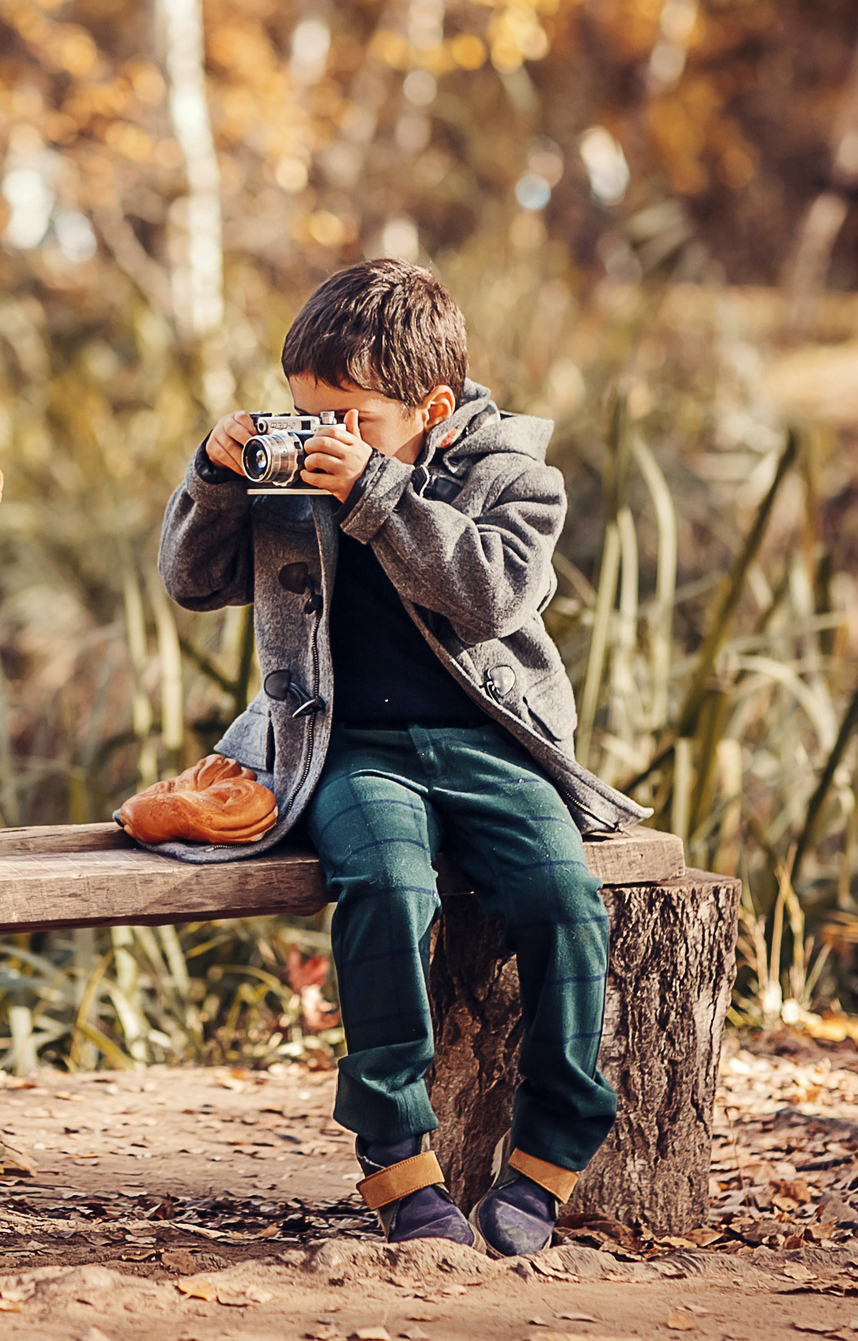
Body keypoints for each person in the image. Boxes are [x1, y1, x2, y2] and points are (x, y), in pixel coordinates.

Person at [154, 259, 648, 1256]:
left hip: (492, 743)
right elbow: (192, 583)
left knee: (564, 900)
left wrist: (375, 491)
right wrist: (213, 476)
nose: (323, 435)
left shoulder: (517, 474)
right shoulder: (293, 473)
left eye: (353, 418)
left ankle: (552, 1149)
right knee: (384, 887)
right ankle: (396, 1156)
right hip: (346, 746)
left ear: (432, 410)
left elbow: (492, 595)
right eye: (305, 412)